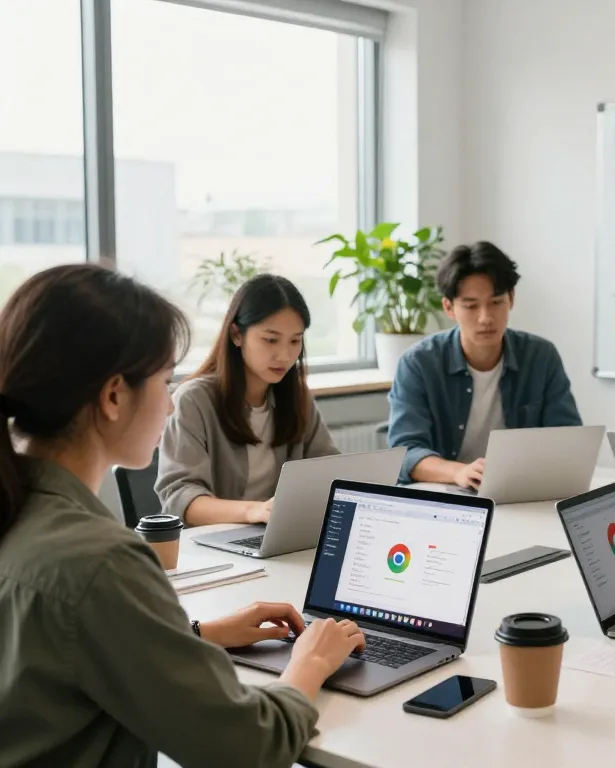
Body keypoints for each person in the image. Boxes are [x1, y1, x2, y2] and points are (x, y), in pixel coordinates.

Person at [0, 264, 365, 768]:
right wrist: (309, 664)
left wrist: (197, 635)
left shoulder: (21, 516)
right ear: (113, 396)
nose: (171, 402)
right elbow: (248, 747)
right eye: (164, 379)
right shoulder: (101, 562)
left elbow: (62, 655)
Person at [387, 241, 582, 487]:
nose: (485, 318)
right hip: (445, 491)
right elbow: (405, 452)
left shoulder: (540, 356)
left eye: (496, 302)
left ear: (511, 299)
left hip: (519, 489)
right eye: (470, 306)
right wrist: (458, 472)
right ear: (449, 307)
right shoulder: (418, 363)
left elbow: (568, 440)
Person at [156, 274, 338, 526]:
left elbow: (329, 470)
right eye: (271, 340)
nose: (285, 355)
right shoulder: (194, 400)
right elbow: (180, 499)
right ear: (236, 335)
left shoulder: (297, 397)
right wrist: (253, 511)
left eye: (295, 341)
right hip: (215, 543)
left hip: (279, 537)